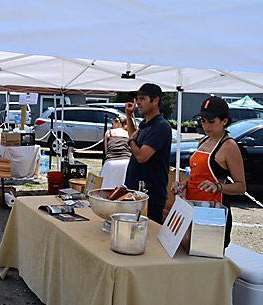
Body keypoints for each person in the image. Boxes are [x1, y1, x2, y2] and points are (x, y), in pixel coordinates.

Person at [174, 96, 246, 247]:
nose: (206, 126)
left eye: (211, 121)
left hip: (212, 215)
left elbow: (241, 187)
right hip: (192, 208)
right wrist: (184, 184)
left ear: (224, 121)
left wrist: (218, 187)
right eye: (203, 121)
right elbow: (197, 176)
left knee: (206, 259)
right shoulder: (203, 140)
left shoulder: (229, 146)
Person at [124, 83, 172, 224]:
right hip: (135, 193)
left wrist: (130, 141)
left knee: (147, 237)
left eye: (142, 98)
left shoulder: (161, 126)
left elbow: (141, 156)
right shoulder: (146, 124)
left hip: (150, 196)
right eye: (137, 98)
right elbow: (135, 137)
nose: (137, 102)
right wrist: (129, 115)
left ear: (155, 100)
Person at [100, 115, 131, 188]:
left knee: (106, 190)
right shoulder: (129, 133)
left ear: (118, 123)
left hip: (111, 162)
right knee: (123, 191)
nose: (112, 126)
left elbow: (106, 151)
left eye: (113, 124)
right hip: (126, 162)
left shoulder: (109, 132)